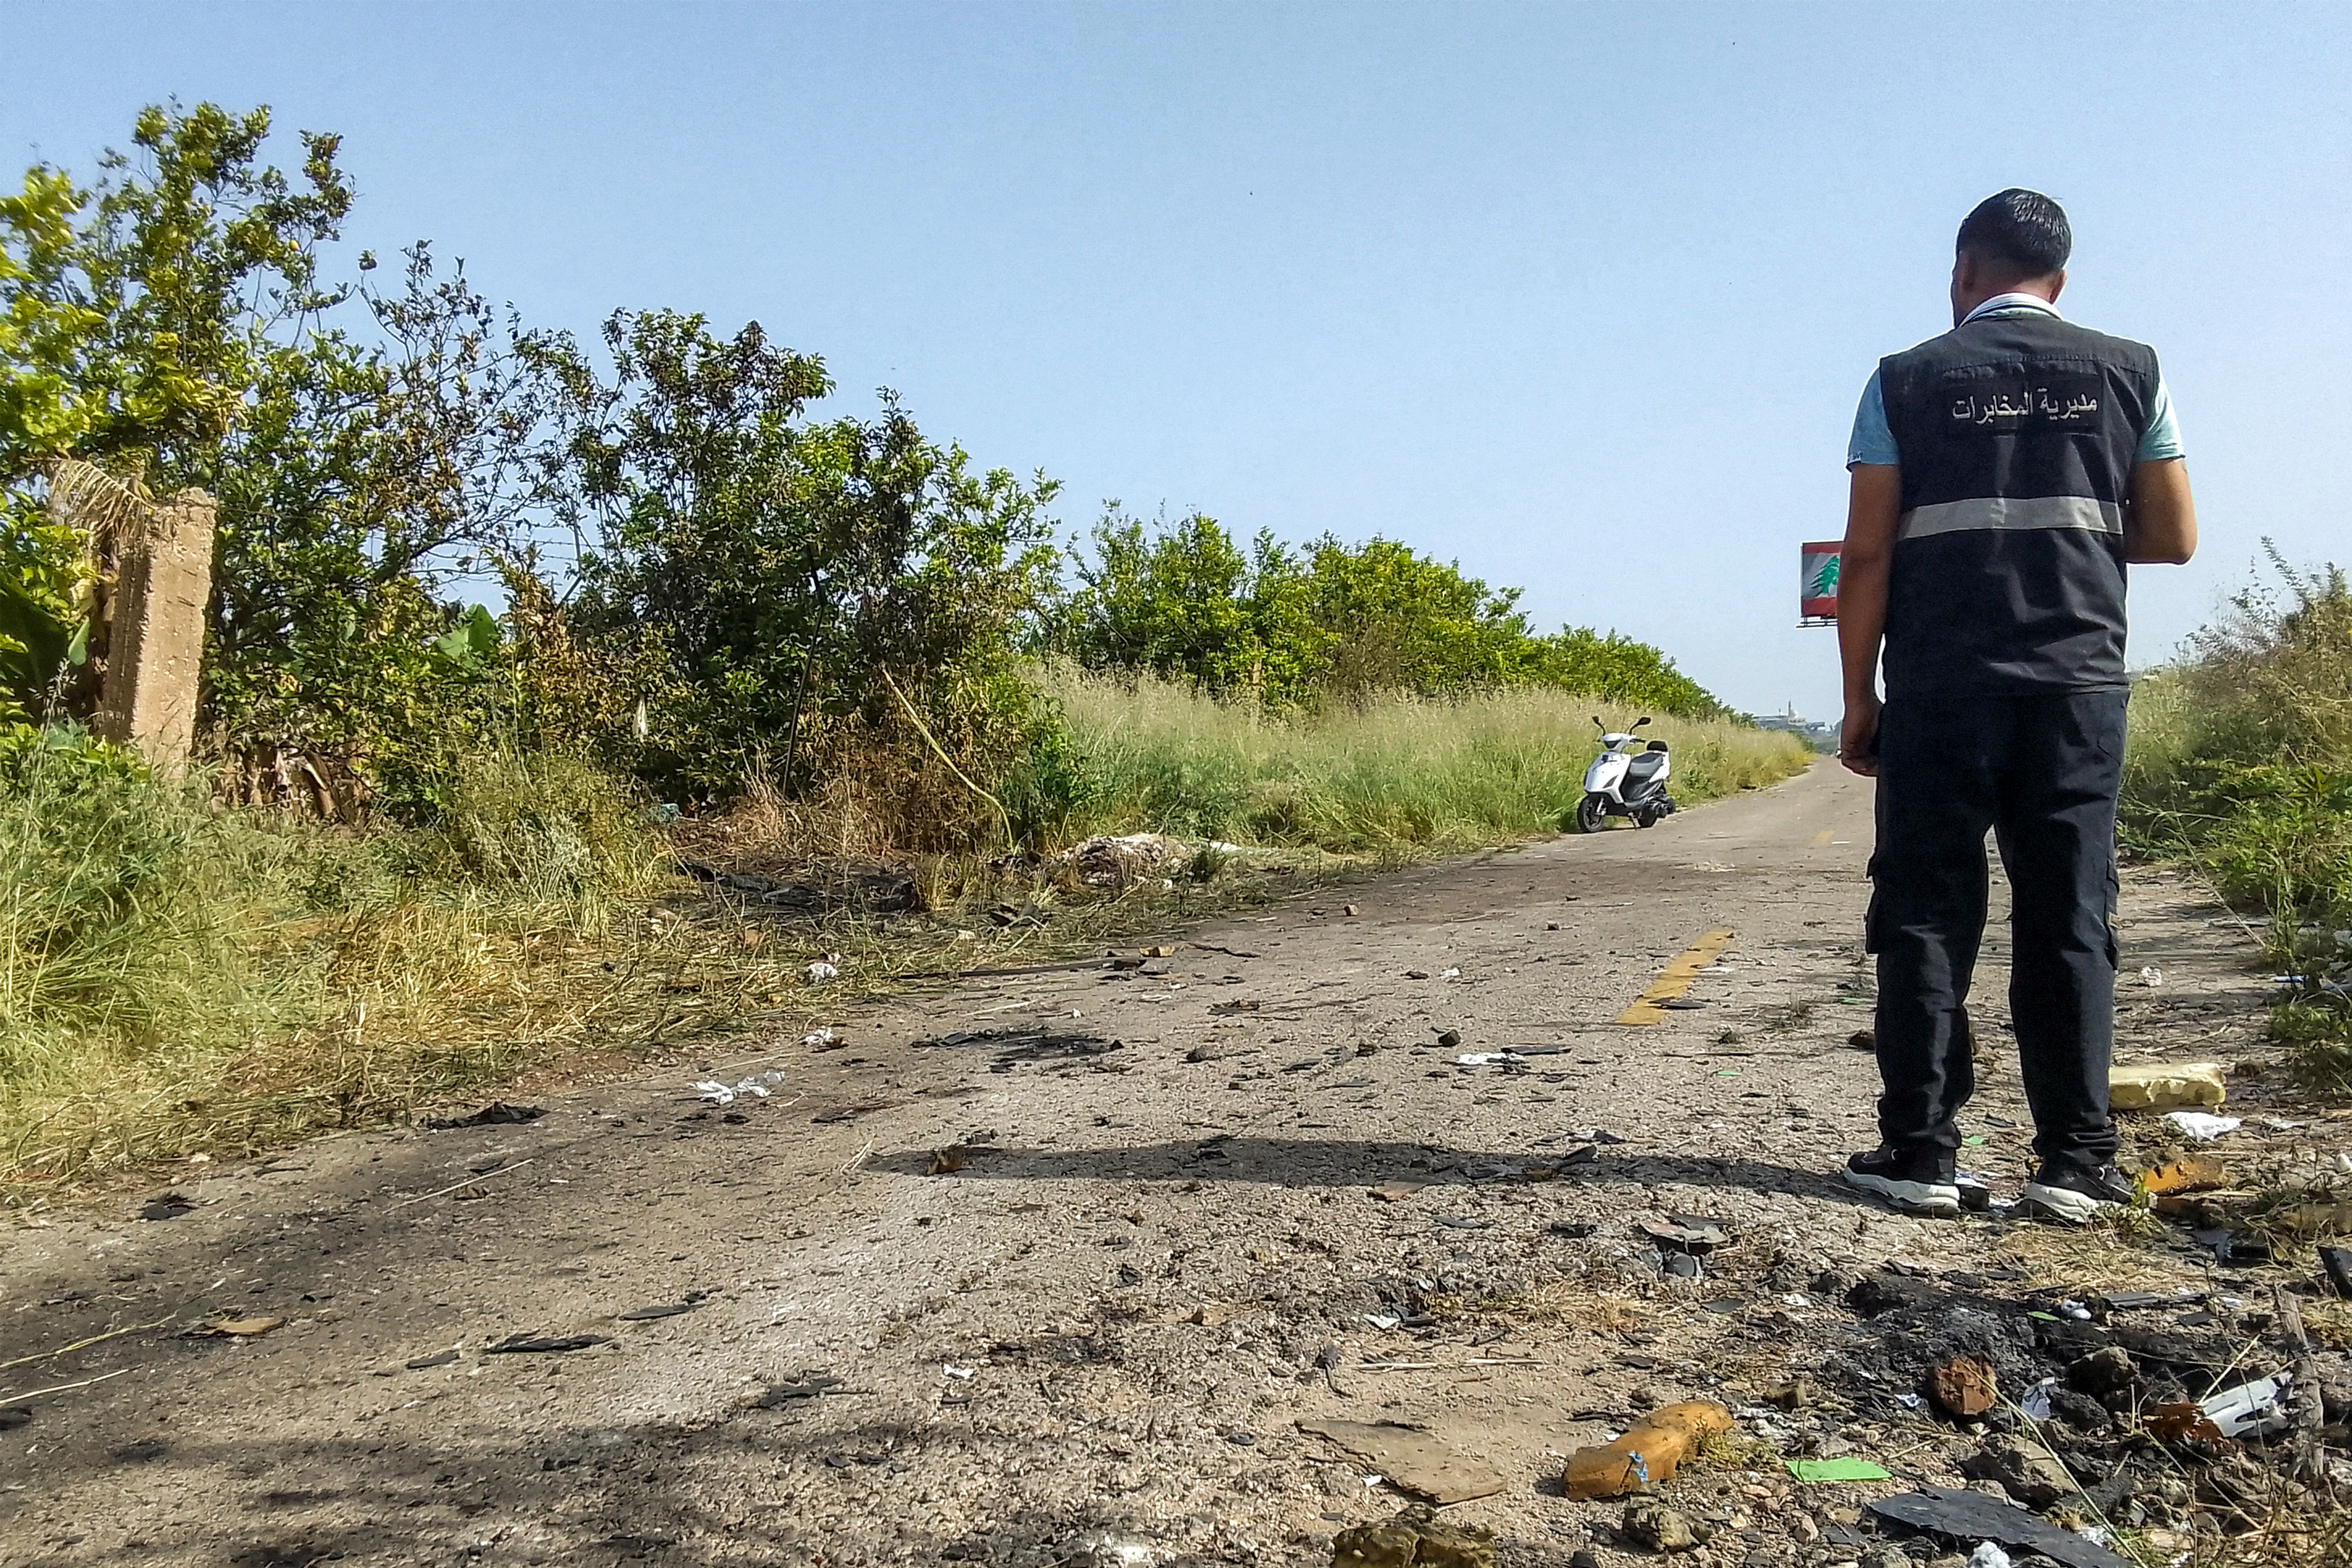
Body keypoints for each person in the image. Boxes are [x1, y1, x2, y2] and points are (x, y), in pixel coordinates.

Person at [1833, 189, 2199, 1224]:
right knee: (2070, 921)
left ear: (1964, 274)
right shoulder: (2133, 371)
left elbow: (1864, 553)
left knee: (1924, 915)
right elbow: (2174, 538)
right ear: (2061, 283)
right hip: (2077, 690)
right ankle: (2077, 1168)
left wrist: (1859, 697)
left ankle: (1922, 1155)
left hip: (1944, 687)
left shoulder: (1904, 381)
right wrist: (2066, 543)